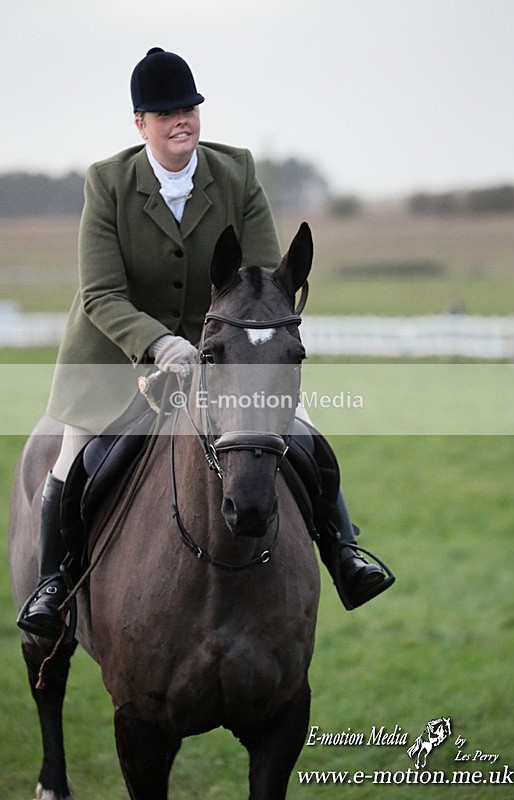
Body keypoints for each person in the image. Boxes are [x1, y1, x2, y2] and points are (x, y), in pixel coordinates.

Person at [17, 47, 393, 640]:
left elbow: (267, 274)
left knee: (303, 430)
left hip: (223, 351)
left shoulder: (236, 171)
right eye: (165, 113)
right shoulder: (109, 183)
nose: (181, 120)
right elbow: (101, 294)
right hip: (117, 356)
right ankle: (55, 586)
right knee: (71, 458)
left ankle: (345, 554)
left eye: (189, 108)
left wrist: (236, 342)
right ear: (141, 124)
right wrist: (161, 345)